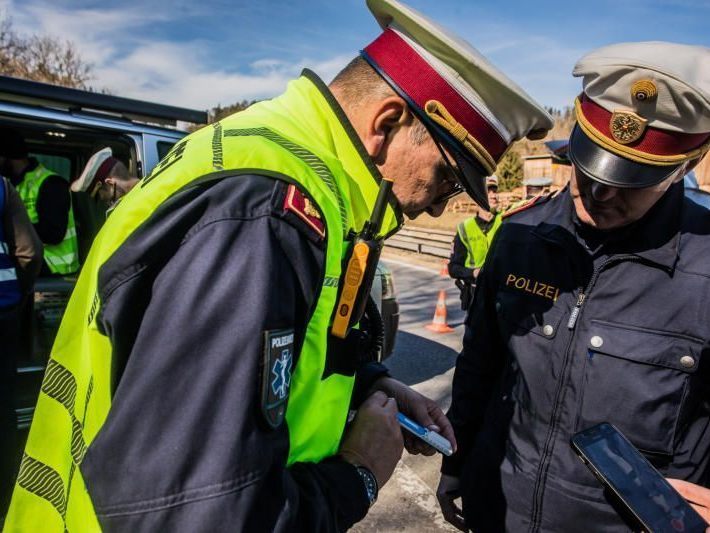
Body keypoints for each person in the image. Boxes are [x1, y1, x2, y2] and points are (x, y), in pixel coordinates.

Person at [5, 1, 552, 531]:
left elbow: (279, 358)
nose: (437, 207)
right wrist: (359, 475)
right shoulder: (266, 214)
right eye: (446, 178)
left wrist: (370, 386)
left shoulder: (283, 167)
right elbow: (194, 513)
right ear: (386, 123)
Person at [438, 42, 710, 532]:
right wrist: (456, 462)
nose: (600, 192)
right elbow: (481, 363)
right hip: (501, 510)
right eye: (591, 164)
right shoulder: (520, 236)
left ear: (683, 167)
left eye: (631, 180)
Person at [0, 175, 42, 522]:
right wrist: (19, 295)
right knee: (3, 409)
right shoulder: (2, 188)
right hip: (2, 310)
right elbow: (29, 252)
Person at [0, 130, 79, 276]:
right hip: (29, 259)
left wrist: (8, 229)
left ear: (7, 157)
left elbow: (53, 234)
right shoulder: (13, 185)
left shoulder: (51, 183)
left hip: (53, 266)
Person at [448, 176, 502, 309]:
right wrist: (472, 273)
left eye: (495, 191)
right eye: (488, 192)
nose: (494, 196)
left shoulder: (505, 221)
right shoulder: (465, 228)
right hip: (475, 295)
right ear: (477, 197)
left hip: (501, 295)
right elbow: (453, 268)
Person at [71, 148, 139, 212]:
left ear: (110, 183)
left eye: (111, 200)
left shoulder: (137, 204)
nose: (111, 206)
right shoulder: (136, 199)